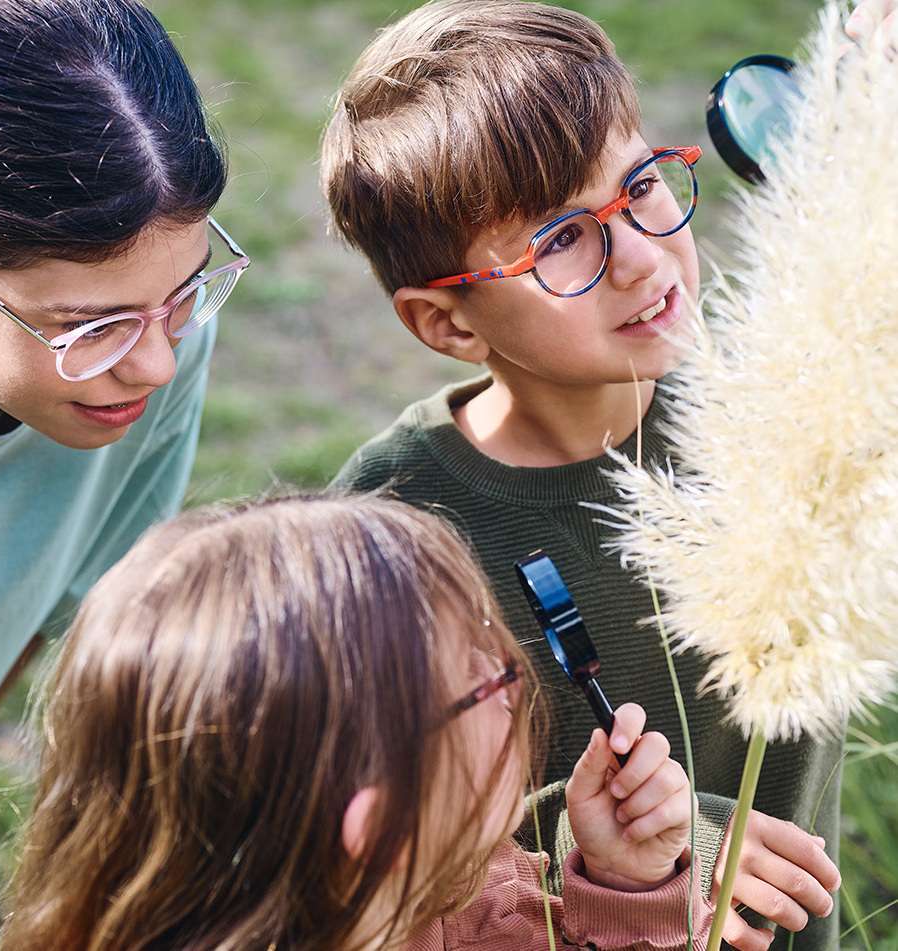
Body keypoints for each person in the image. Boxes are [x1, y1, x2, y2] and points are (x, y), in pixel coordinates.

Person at [321, 2, 873, 948]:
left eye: (642, 186)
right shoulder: (392, 526)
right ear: (449, 323)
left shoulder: (788, 403)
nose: (642, 257)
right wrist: (657, 849)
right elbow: (399, 847)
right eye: (562, 240)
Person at [0, 494, 712, 950]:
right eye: (482, 679)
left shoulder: (462, 893)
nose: (517, 673)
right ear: (382, 833)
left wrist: (628, 887)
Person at [0, 1, 248, 946]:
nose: (155, 363)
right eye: (90, 326)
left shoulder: (154, 348)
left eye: (185, 290)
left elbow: (58, 605)